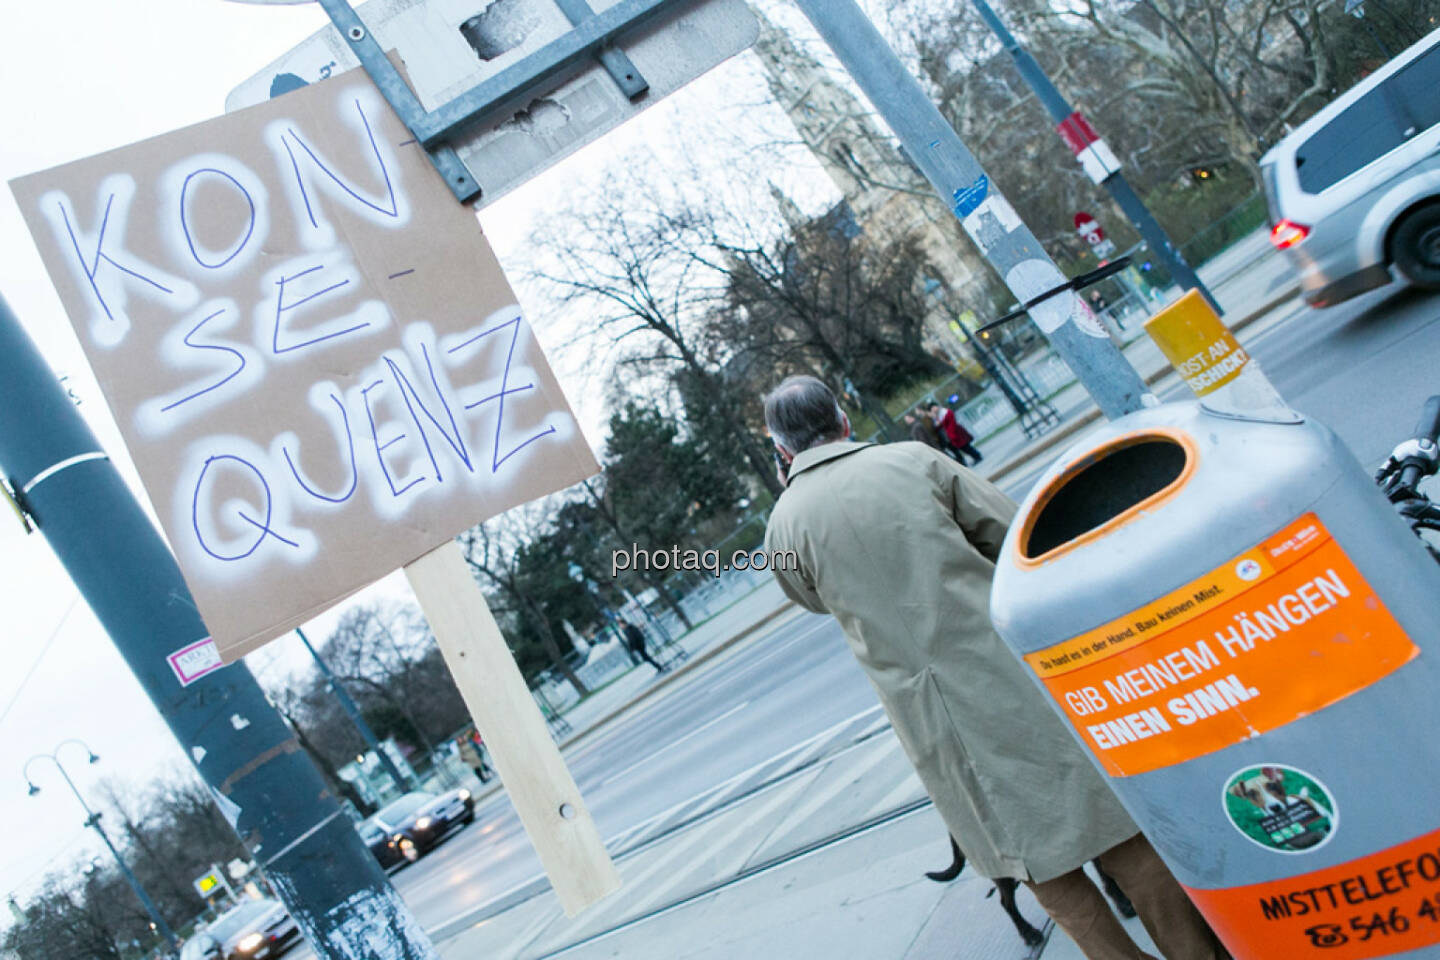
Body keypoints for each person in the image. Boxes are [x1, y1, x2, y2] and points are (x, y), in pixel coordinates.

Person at [762, 375, 1228, 960]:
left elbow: (809, 597)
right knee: (1119, 839)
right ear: (843, 419)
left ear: (783, 450)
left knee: (1039, 869)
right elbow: (1012, 535)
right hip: (1006, 679)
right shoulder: (913, 462)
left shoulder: (781, 526)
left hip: (932, 721)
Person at [924, 400, 983, 465]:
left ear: (936, 406)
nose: (934, 410)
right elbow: (939, 426)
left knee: (966, 447)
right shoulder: (939, 415)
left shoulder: (946, 412)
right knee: (964, 448)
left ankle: (977, 456)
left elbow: (952, 424)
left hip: (956, 433)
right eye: (932, 409)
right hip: (952, 434)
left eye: (934, 408)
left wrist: (952, 435)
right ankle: (976, 457)